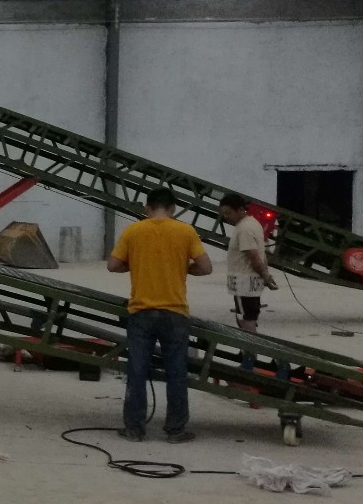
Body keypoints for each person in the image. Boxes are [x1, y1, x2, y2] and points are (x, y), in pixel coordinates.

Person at [107, 187, 214, 442]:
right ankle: (176, 430)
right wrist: (183, 268)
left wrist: (137, 264)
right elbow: (206, 267)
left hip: (141, 312)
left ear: (147, 208)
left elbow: (113, 265)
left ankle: (134, 429)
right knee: (176, 372)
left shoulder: (134, 230)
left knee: (137, 371)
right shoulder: (185, 231)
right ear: (173, 209)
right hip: (175, 312)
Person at [218, 192, 277, 345]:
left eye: (228, 213)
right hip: (250, 283)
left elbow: (253, 256)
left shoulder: (244, 229)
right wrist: (265, 275)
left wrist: (265, 276)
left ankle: (250, 352)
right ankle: (250, 351)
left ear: (240, 210)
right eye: (224, 213)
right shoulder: (253, 224)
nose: (226, 217)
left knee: (245, 320)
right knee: (250, 316)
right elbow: (261, 255)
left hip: (243, 283)